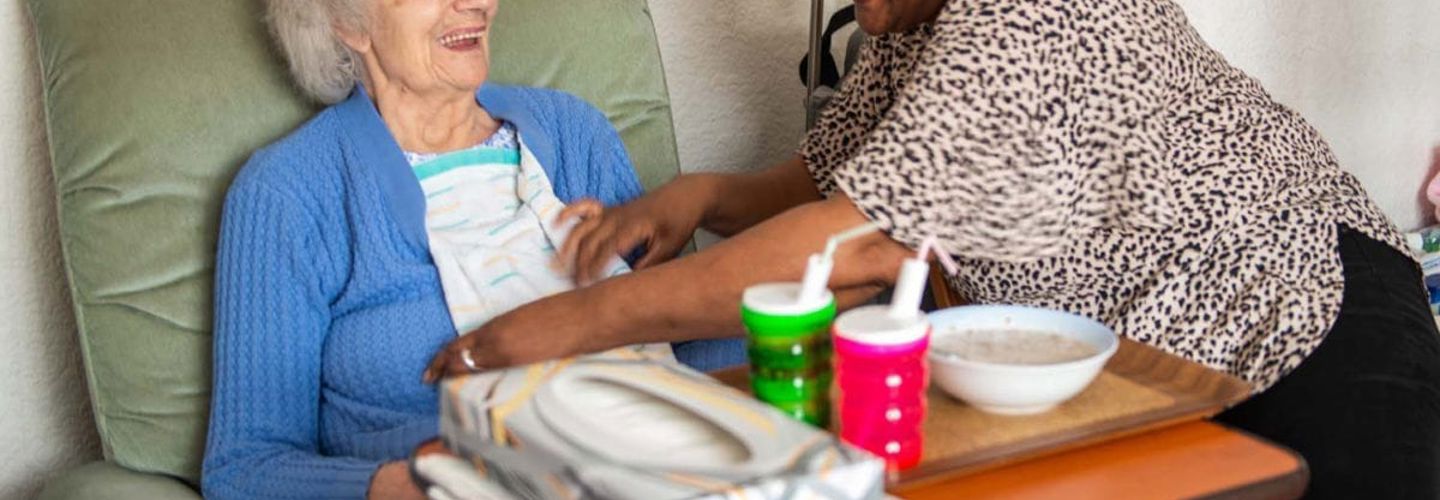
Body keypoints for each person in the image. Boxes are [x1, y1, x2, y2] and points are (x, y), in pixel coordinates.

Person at [426, 0, 1440, 497]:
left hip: (1303, 298)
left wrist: (557, 326)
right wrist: (697, 195)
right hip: (1142, 360)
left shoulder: (1029, 12)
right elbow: (828, 182)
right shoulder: (910, 29)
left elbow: (860, 242)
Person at [202, 0, 740, 498]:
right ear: (348, 21)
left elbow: (681, 336)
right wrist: (402, 486)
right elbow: (245, 466)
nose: (476, 1)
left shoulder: (573, 133)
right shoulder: (288, 193)